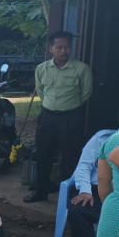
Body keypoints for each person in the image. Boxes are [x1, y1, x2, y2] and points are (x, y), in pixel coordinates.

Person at [26, 31, 93, 203]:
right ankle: (41, 191)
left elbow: (86, 93)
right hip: (47, 117)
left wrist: (67, 106)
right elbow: (41, 91)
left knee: (70, 157)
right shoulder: (41, 69)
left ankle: (67, 195)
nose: (64, 51)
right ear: (51, 49)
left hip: (71, 118)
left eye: (67, 47)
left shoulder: (81, 69)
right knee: (43, 154)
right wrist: (52, 106)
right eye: (59, 47)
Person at [68, 128, 119, 237]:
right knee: (78, 211)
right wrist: (85, 190)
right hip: (94, 189)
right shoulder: (102, 138)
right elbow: (84, 166)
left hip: (116, 193)